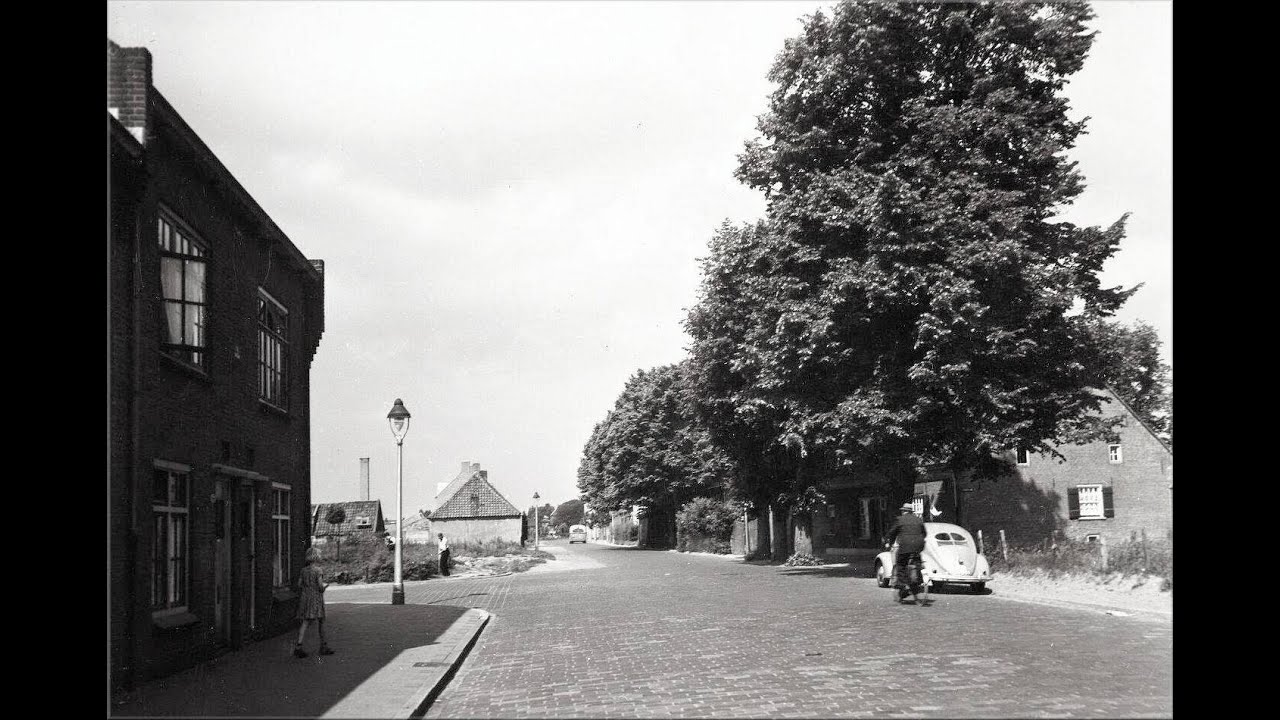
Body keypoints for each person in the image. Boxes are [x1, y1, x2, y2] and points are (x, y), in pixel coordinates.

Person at [294, 547, 334, 658]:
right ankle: (323, 646)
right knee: (321, 621)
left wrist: (307, 588)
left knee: (305, 622)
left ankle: (298, 646)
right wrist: (325, 587)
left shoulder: (303, 570)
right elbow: (320, 587)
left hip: (306, 598)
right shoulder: (318, 570)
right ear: (316, 557)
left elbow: (299, 584)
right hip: (316, 599)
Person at [885, 502, 928, 605]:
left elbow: (892, 533)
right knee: (917, 563)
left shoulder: (900, 520)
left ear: (904, 511)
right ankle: (918, 581)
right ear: (911, 512)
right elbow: (925, 533)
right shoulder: (918, 520)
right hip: (918, 547)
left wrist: (890, 544)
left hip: (904, 547)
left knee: (900, 566)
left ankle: (902, 586)